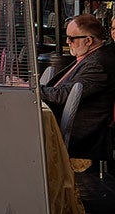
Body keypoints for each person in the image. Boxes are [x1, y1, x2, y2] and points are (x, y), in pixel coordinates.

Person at [43, 13, 115, 158]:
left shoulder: (98, 63)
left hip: (80, 134)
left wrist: (34, 91)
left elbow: (63, 95)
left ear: (88, 40)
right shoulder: (90, 57)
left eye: (71, 38)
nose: (68, 42)